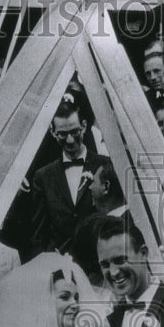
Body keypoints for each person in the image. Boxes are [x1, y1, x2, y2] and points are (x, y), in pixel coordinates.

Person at [29, 101, 103, 255]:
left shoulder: (105, 165)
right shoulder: (42, 176)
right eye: (63, 134)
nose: (70, 140)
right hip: (60, 266)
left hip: (98, 262)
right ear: (53, 131)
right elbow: (39, 235)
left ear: (83, 126)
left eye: (74, 131)